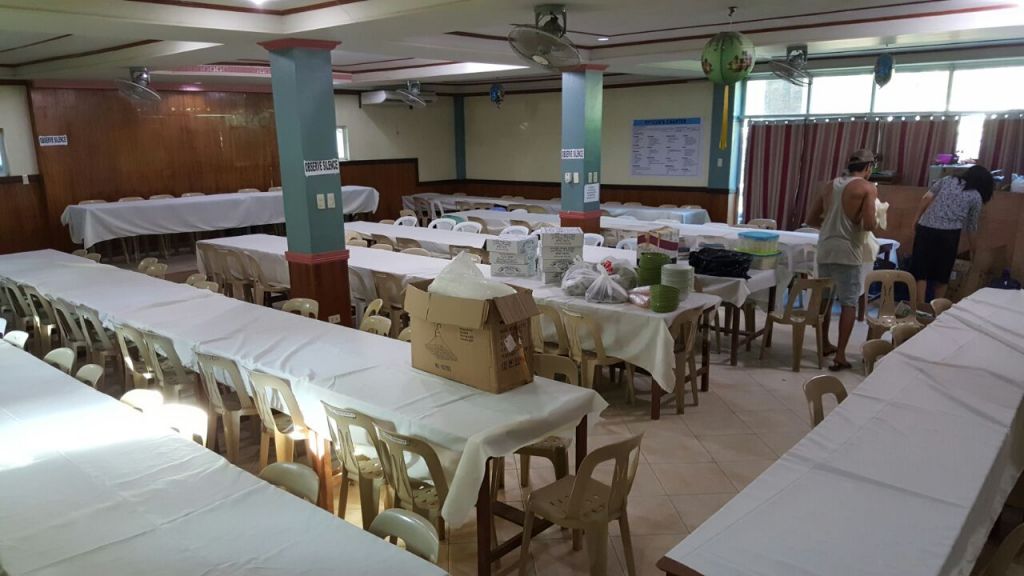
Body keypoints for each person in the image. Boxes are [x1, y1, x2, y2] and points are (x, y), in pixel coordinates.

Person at [806, 149, 881, 371]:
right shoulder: (867, 188)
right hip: (848, 250)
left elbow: (811, 219)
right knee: (848, 302)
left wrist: (831, 227)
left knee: (825, 298)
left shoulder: (829, 186)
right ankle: (840, 355)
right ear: (868, 168)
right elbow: (869, 224)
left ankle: (823, 344)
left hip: (825, 247)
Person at [910, 165, 994, 305]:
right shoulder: (976, 196)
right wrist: (973, 250)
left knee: (921, 270)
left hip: (926, 228)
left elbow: (926, 197)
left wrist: (916, 218)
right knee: (942, 275)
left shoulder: (947, 180)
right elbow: (972, 227)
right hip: (948, 235)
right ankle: (936, 308)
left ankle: (920, 306)